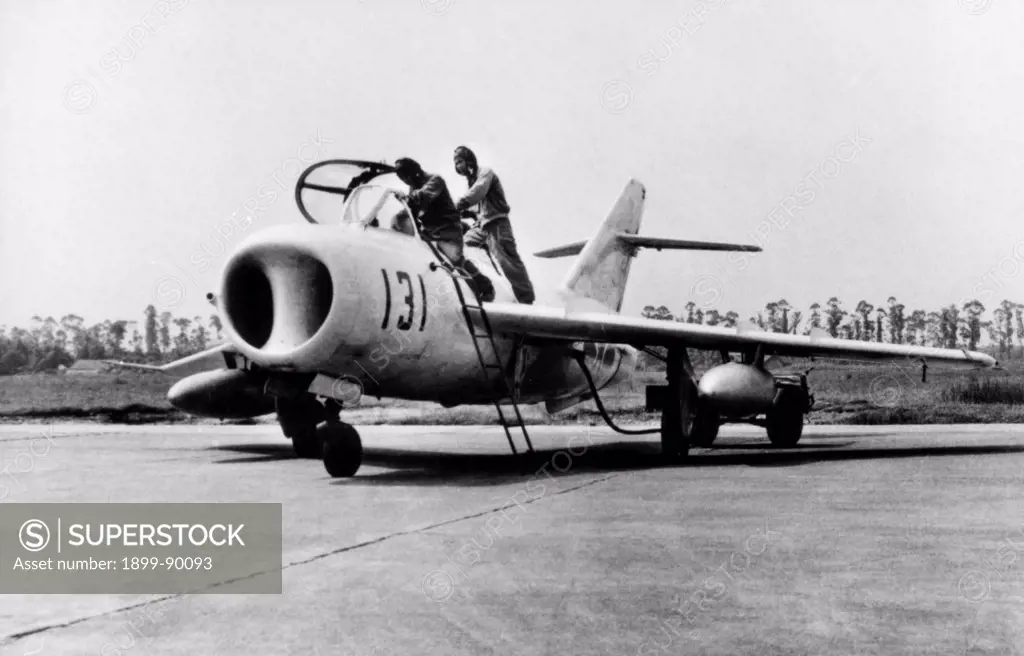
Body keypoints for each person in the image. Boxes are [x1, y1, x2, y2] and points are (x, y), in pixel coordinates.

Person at [393, 157, 495, 302]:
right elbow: (413, 209)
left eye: (406, 177)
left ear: (414, 172)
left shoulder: (435, 181)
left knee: (455, 260)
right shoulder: (414, 187)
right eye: (402, 179)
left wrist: (408, 198)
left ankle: (485, 287)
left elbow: (423, 197)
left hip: (449, 231)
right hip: (430, 232)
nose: (406, 181)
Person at [453, 146, 536, 305]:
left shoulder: (485, 173)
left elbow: (477, 193)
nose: (458, 166)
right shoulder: (470, 180)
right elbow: (475, 208)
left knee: (507, 262)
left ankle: (526, 301)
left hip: (496, 223)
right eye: (456, 163)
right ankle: (484, 283)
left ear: (469, 160)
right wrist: (458, 213)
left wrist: (458, 205)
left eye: (460, 161)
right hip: (481, 226)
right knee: (461, 247)